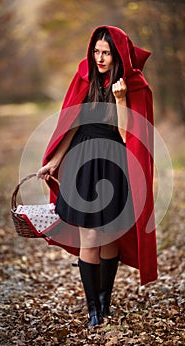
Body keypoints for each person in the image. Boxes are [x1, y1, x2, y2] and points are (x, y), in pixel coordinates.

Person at [37, 26, 157, 327]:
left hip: (114, 161)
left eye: (105, 53)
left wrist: (120, 99)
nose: (99, 58)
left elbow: (127, 135)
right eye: (96, 51)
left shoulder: (134, 86)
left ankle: (105, 300)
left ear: (117, 55)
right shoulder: (84, 78)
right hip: (83, 162)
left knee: (110, 236)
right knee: (89, 236)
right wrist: (54, 160)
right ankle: (93, 310)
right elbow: (73, 122)